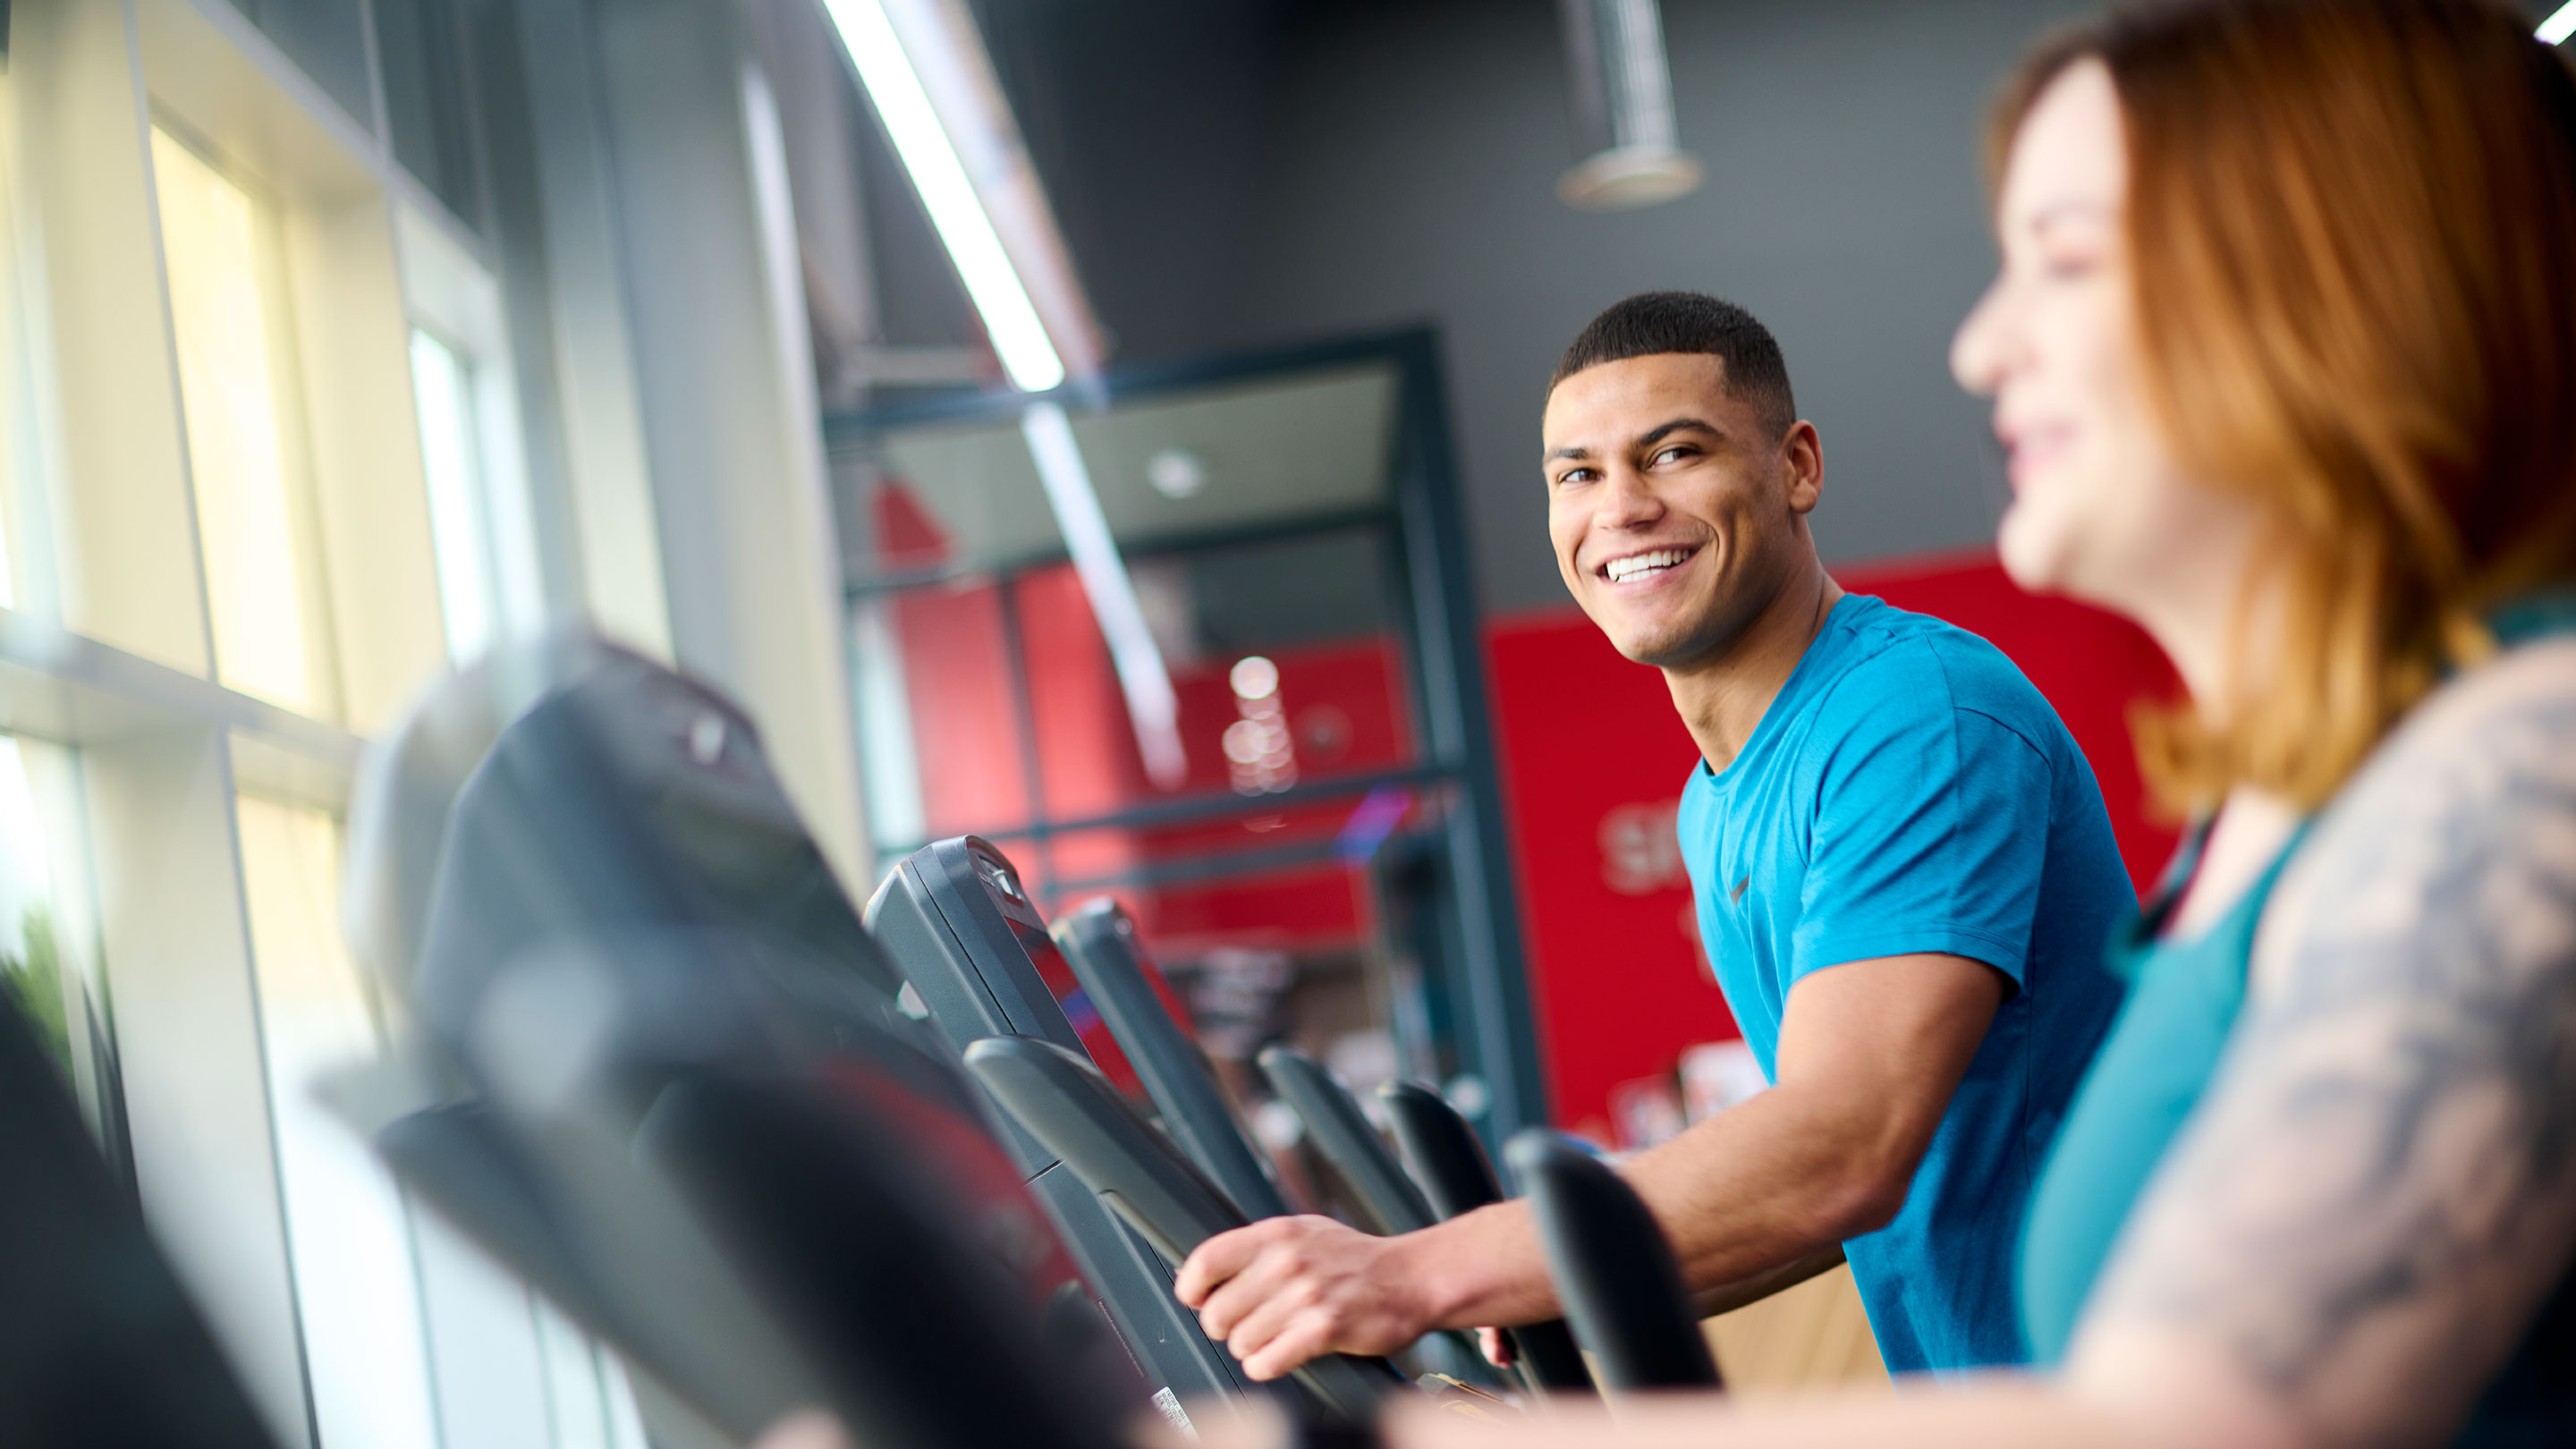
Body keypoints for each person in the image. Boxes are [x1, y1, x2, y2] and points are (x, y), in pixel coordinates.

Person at [1360, 0, 2576, 1445]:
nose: (1983, 345)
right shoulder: (2319, 792)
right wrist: (1567, 1266)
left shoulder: (2518, 781)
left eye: (2064, 262)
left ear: (2340, 290)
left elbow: (2204, 1411)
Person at [1174, 290, 2139, 1377]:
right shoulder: (1713, 801)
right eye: (1577, 475)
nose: (1620, 508)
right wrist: (1547, 1277)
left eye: (1673, 454)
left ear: (1797, 468)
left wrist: (1422, 1272)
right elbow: (1843, 1195)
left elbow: (1847, 1147)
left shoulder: (1914, 715)